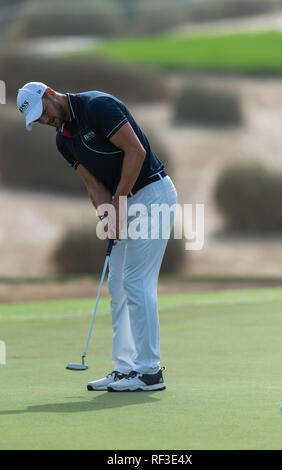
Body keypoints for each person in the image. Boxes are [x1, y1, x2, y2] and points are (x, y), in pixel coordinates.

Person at [17, 82, 178, 392]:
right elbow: (92, 183)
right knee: (117, 283)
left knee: (135, 280)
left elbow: (136, 151)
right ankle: (124, 368)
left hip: (152, 195)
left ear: (50, 94)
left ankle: (149, 372)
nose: (44, 120)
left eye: (44, 112)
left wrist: (118, 202)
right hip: (124, 201)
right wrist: (107, 216)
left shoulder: (97, 107)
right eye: (37, 120)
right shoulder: (63, 140)